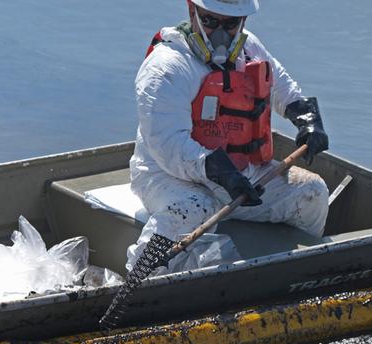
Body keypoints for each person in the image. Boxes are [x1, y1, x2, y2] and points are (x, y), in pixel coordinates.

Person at [126, 0, 330, 274]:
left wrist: (307, 120)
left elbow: (283, 89)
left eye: (231, 24)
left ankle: (295, 273)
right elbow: (168, 145)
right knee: (194, 207)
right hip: (167, 177)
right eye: (210, 21)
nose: (221, 34)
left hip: (241, 178)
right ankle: (141, 278)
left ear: (242, 21)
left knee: (312, 194)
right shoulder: (167, 67)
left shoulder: (250, 49)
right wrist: (220, 172)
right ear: (192, 11)